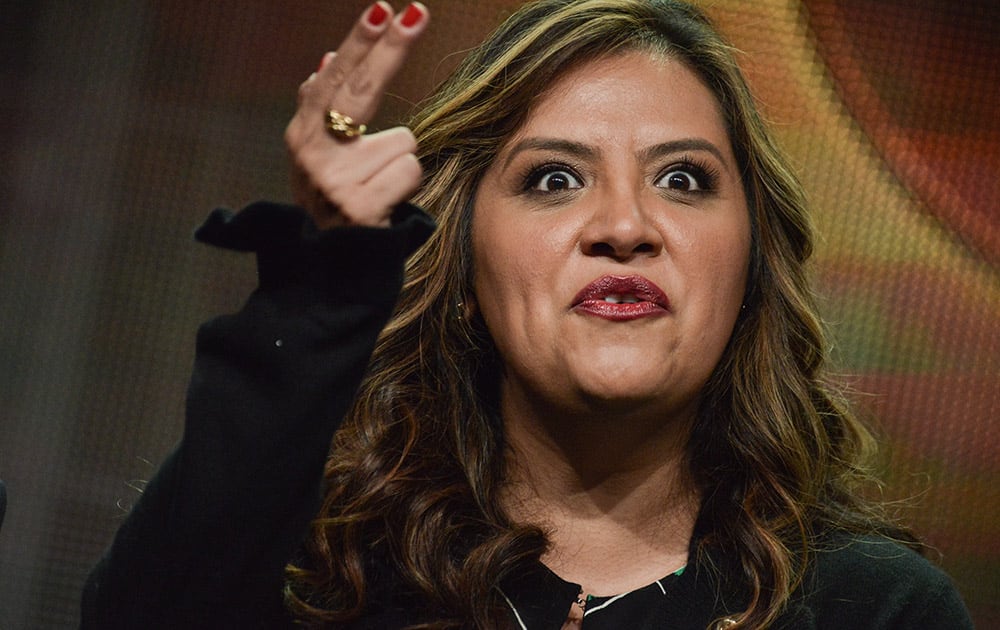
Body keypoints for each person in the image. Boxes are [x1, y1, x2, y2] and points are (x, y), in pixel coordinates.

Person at [81, 1, 974, 628]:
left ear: (750, 268)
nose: (624, 228)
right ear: (465, 262)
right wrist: (327, 282)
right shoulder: (319, 576)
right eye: (554, 179)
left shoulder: (877, 610)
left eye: (683, 179)